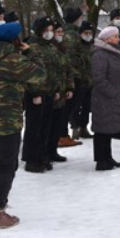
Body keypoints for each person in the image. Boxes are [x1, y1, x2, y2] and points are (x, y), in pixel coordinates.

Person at [0, 20, 48, 230]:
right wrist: (31, 52)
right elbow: (41, 75)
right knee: (6, 166)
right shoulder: (14, 60)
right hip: (6, 122)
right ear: (15, 39)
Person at [21, 17, 60, 173]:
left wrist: (57, 89)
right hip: (35, 94)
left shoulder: (51, 47)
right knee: (34, 128)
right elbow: (29, 71)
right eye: (46, 30)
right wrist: (34, 92)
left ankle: (43, 156)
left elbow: (55, 70)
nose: (49, 33)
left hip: (49, 92)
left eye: (51, 30)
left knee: (45, 127)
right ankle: (31, 159)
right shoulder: (31, 47)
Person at [90, 27, 120, 171]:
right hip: (104, 98)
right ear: (107, 39)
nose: (119, 39)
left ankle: (108, 157)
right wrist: (113, 93)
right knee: (102, 129)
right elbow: (99, 78)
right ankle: (101, 160)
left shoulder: (114, 52)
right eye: (115, 36)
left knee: (108, 128)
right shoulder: (100, 54)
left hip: (112, 98)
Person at [48, 22, 76, 160]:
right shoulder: (49, 48)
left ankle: (53, 151)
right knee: (49, 124)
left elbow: (68, 69)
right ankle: (46, 151)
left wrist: (70, 86)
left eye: (61, 32)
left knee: (57, 123)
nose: (60, 35)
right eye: (57, 32)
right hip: (52, 91)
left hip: (62, 90)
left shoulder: (63, 48)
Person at [70, 21, 96, 139]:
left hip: (91, 81)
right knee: (76, 106)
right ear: (80, 33)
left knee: (87, 106)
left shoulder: (93, 46)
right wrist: (78, 76)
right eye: (86, 33)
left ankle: (83, 127)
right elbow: (72, 63)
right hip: (79, 81)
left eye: (90, 33)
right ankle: (74, 128)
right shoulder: (75, 46)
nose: (88, 35)